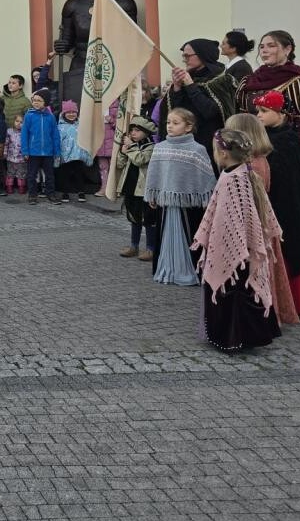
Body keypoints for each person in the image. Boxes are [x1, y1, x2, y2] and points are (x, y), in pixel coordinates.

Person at [238, 29, 300, 302]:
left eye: (271, 45)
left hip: (288, 162)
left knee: (291, 222)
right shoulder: (251, 80)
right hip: (254, 160)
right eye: (262, 46)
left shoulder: (299, 83)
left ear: (288, 48)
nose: (265, 50)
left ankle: (295, 290)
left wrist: (299, 169)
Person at [192, 129, 282, 352]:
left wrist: (221, 244)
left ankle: (231, 337)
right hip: (245, 250)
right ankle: (250, 336)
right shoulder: (245, 173)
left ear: (223, 154)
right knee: (243, 288)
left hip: (235, 251)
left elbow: (225, 221)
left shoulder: (232, 180)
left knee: (233, 292)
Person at [224, 110, 299, 325]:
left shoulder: (252, 166)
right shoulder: (258, 161)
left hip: (252, 228)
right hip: (256, 225)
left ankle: (257, 317)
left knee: (255, 273)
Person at [255, 91, 300, 313]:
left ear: (280, 113)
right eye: (258, 111)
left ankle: (293, 298)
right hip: (272, 200)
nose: (259, 116)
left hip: (287, 203)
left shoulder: (288, 140)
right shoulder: (266, 137)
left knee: (290, 244)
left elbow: (290, 179)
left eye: (264, 111)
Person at [144, 108, 215, 276]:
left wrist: (206, 198)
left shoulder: (197, 149)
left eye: (176, 123)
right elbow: (154, 173)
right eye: (168, 122)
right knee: (165, 237)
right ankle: (167, 269)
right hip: (166, 204)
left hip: (189, 206)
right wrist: (153, 194)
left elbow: (206, 176)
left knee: (189, 236)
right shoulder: (160, 147)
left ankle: (190, 270)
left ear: (188, 127)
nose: (170, 126)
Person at [157, 38, 238, 158]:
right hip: (184, 143)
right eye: (183, 56)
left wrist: (191, 86)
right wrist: (177, 87)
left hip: (209, 142)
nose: (184, 60)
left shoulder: (221, 79)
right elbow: (174, 110)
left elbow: (211, 111)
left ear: (202, 55)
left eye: (187, 56)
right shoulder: (187, 77)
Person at [111, 115, 157, 259]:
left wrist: (130, 148)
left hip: (143, 189)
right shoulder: (132, 146)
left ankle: (150, 248)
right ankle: (134, 246)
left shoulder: (151, 147)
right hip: (130, 187)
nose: (133, 133)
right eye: (131, 130)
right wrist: (123, 152)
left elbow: (140, 160)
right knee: (133, 218)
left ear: (146, 132)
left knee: (148, 220)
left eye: (137, 130)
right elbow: (120, 164)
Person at [21, 90, 61, 205]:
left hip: (48, 152)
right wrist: (25, 151)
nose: (36, 103)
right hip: (33, 152)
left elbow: (55, 135)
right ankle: (32, 195)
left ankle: (51, 194)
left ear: (46, 102)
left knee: (50, 175)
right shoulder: (29, 116)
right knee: (32, 175)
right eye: (34, 100)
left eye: (39, 100)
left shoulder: (51, 117)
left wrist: (56, 151)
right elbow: (24, 134)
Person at [56, 101, 97, 203]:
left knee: (79, 173)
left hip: (78, 155)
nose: (71, 114)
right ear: (64, 113)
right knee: (65, 174)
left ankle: (81, 192)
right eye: (68, 112)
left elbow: (86, 139)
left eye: (73, 112)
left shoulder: (80, 125)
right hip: (66, 155)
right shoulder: (60, 127)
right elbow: (58, 141)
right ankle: (65, 192)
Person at [4, 113, 27, 196]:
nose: (18, 123)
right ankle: (9, 186)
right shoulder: (9, 131)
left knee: (22, 173)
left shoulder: (25, 132)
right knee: (10, 172)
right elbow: (6, 143)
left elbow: (27, 144)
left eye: (21, 122)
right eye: (17, 121)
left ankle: (21, 187)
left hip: (21, 158)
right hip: (10, 157)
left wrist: (27, 154)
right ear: (14, 121)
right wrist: (5, 153)